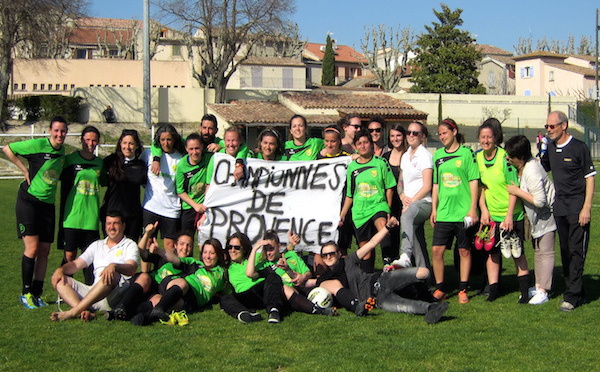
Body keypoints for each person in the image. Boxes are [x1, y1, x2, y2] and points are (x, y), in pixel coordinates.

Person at [306, 217, 449, 324]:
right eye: (325, 255)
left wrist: (387, 227)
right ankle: (431, 309)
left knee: (423, 273)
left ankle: (423, 293)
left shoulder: (349, 260)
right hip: (378, 299)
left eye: (332, 253)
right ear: (323, 258)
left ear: (338, 254)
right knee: (406, 307)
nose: (329, 257)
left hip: (381, 280)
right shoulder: (326, 278)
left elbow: (372, 243)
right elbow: (307, 282)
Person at [3, 116, 68, 309]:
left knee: (45, 251)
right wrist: (24, 170)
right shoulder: (39, 144)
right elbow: (8, 149)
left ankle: (37, 293)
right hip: (29, 202)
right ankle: (26, 293)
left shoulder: (63, 151)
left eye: (63, 131)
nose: (59, 134)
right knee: (31, 249)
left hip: (48, 206)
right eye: (56, 130)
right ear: (50, 130)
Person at [541, 110, 595, 311]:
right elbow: (542, 167)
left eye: (552, 126)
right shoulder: (551, 148)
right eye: (546, 127)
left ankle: (571, 296)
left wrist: (586, 207)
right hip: (560, 208)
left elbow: (590, 178)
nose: (549, 130)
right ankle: (576, 290)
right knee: (565, 251)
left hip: (577, 208)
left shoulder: (579, 147)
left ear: (564, 126)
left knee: (576, 251)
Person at [476, 119, 530, 303]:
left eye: (489, 137)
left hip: (512, 215)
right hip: (492, 216)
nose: (485, 140)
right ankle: (493, 291)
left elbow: (512, 187)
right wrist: (483, 210)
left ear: (495, 138)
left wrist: (509, 216)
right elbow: (482, 187)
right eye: (482, 137)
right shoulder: (478, 158)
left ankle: (524, 292)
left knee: (517, 254)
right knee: (492, 253)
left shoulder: (504, 157)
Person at [50, 211, 140, 321]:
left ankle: (73, 312)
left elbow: (131, 269)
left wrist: (114, 266)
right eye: (108, 223)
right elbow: (77, 264)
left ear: (123, 226)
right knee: (61, 281)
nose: (111, 227)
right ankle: (84, 311)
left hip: (114, 295)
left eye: (115, 223)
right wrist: (61, 270)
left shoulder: (130, 245)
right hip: (93, 292)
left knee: (111, 274)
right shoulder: (97, 245)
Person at [430, 118, 479, 304]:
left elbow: (474, 181)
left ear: (454, 132)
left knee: (464, 251)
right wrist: (434, 209)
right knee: (437, 251)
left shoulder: (467, 153)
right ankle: (441, 288)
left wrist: (472, 209)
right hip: (444, 212)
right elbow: (435, 184)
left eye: (445, 133)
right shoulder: (438, 156)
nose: (442, 137)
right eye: (440, 134)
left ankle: (463, 289)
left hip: (463, 213)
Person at [105, 224, 196, 321]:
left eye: (188, 245)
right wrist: (147, 233)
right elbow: (141, 252)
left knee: (158, 300)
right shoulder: (165, 257)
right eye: (182, 244)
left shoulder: (191, 265)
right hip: (147, 284)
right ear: (175, 245)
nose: (185, 248)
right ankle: (121, 307)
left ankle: (126, 315)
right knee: (145, 276)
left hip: (161, 292)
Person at [505, 135, 557, 305]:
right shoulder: (526, 167)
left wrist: (516, 191)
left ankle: (544, 290)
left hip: (547, 217)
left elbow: (540, 201)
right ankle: (538, 285)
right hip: (537, 219)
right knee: (538, 251)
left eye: (511, 156)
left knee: (546, 252)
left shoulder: (532, 170)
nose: (508, 159)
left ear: (520, 157)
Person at [340, 129, 397, 273]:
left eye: (366, 142)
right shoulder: (352, 167)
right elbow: (350, 194)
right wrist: (343, 213)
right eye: (359, 143)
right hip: (360, 211)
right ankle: (368, 279)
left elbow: (389, 187)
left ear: (371, 144)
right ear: (356, 146)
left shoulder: (381, 163)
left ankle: (387, 262)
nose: (363, 146)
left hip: (378, 205)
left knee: (383, 226)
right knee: (365, 250)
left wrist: (388, 209)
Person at [246, 231, 336, 320]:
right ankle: (319, 310)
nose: (268, 253)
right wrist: (255, 249)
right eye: (266, 249)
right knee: (285, 288)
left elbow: (308, 273)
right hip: (286, 296)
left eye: (271, 249)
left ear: (279, 246)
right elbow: (250, 274)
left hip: (303, 286)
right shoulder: (265, 265)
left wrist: (303, 276)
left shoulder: (291, 255)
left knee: (329, 285)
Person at [143, 238, 226, 325]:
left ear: (218, 255)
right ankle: (159, 309)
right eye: (205, 252)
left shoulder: (222, 273)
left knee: (168, 303)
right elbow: (175, 260)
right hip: (178, 287)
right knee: (182, 284)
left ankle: (141, 316)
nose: (207, 256)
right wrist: (159, 251)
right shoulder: (196, 264)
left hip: (191, 300)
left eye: (212, 253)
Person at [58, 125, 103, 285]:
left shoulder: (100, 163)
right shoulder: (70, 160)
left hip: (91, 218)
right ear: (81, 140)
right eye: (87, 140)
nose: (90, 143)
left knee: (88, 257)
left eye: (94, 140)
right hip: (72, 216)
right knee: (69, 255)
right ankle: (64, 288)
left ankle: (89, 290)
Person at [220, 232, 287, 324]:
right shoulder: (228, 267)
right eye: (229, 247)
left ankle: (274, 311)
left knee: (273, 276)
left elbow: (275, 253)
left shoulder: (255, 257)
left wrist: (255, 249)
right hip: (244, 296)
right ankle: (243, 314)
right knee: (225, 299)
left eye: (237, 247)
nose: (232, 250)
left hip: (260, 290)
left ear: (244, 249)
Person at [140, 124, 184, 253]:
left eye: (169, 139)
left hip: (171, 208)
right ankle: (145, 273)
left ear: (174, 139)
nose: (166, 143)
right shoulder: (148, 154)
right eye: (163, 139)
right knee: (148, 242)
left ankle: (170, 273)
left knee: (170, 245)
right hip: (151, 206)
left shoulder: (180, 159)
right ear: (158, 140)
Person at [396, 121, 432, 270]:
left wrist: (411, 203)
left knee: (406, 216)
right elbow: (400, 182)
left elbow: (427, 186)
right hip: (409, 204)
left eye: (415, 133)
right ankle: (425, 278)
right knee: (417, 241)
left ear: (422, 136)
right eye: (408, 132)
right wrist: (401, 195)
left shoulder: (425, 155)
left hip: (423, 202)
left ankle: (405, 255)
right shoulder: (405, 156)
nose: (411, 135)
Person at [100, 129, 147, 241]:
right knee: (111, 250)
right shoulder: (110, 161)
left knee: (130, 252)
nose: (127, 147)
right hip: (112, 213)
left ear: (136, 146)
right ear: (120, 143)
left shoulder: (140, 165)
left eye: (131, 143)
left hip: (133, 216)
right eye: (125, 143)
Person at [317, 125, 353, 264]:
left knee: (341, 245)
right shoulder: (318, 158)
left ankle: (343, 273)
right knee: (322, 245)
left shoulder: (346, 159)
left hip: (341, 205)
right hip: (324, 206)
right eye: (327, 141)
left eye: (333, 141)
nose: (329, 144)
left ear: (339, 142)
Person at [382, 123, 407, 264]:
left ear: (403, 136)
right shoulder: (385, 157)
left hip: (406, 202)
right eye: (392, 136)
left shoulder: (409, 156)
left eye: (398, 135)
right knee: (390, 235)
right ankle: (389, 265)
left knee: (406, 236)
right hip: (390, 202)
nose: (395, 139)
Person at [176, 133, 212, 232]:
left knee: (206, 242)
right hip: (189, 206)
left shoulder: (210, 158)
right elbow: (180, 191)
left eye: (197, 148)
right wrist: (195, 205)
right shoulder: (182, 165)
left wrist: (219, 146)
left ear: (202, 147)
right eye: (191, 149)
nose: (194, 152)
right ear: (186, 149)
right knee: (186, 240)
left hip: (207, 206)